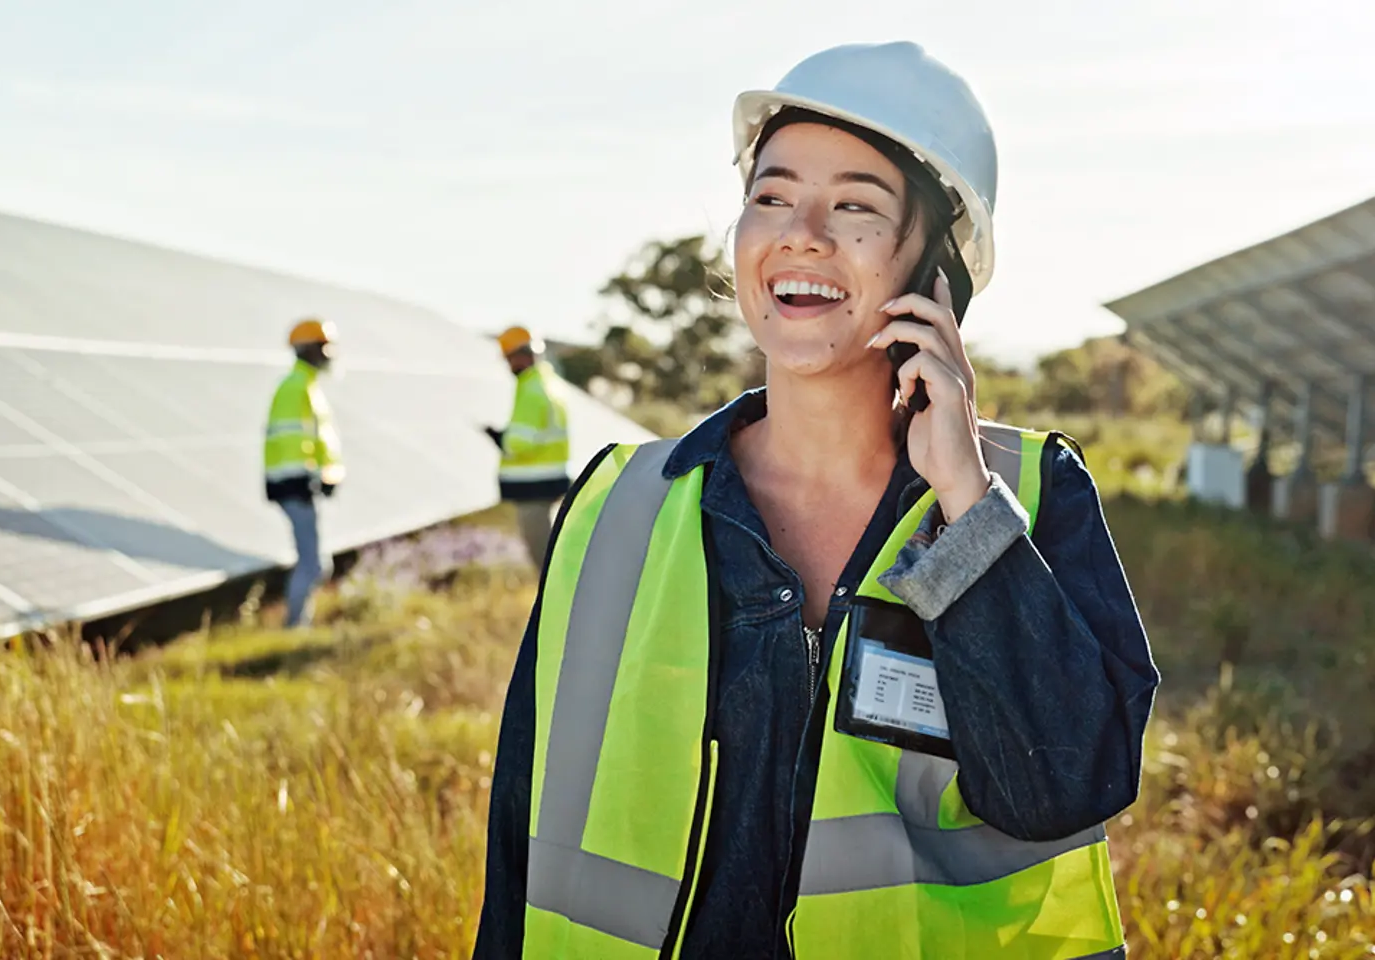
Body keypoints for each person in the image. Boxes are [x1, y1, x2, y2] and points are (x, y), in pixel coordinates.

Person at [474, 41, 1158, 960]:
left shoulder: (1029, 497)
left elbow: (1066, 785)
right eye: (772, 194)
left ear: (936, 273)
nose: (802, 231)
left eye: (857, 206)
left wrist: (963, 497)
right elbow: (524, 835)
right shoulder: (615, 509)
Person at [263, 318, 344, 628]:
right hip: (295, 487)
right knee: (313, 563)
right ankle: (295, 627)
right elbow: (288, 443)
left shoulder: (307, 386)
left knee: (315, 563)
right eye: (325, 347)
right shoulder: (295, 388)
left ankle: (299, 624)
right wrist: (307, 479)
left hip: (301, 485)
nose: (331, 354)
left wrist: (326, 475)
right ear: (310, 350)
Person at [484, 326, 570, 571]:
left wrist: (500, 439)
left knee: (545, 564)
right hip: (549, 481)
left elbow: (520, 442)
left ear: (521, 355)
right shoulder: (548, 382)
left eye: (509, 358)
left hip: (534, 487)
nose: (508, 365)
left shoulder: (531, 390)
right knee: (553, 556)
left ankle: (555, 608)